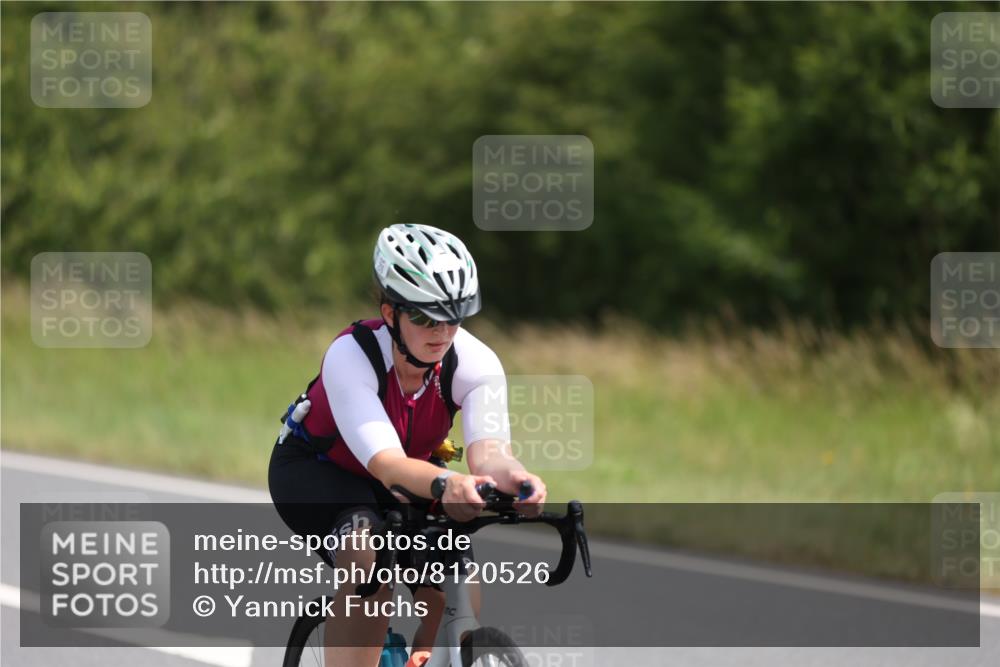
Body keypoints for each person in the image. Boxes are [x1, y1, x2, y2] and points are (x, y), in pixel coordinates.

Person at [268, 223, 547, 666]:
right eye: (424, 318)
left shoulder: (475, 362)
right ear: (390, 313)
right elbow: (389, 465)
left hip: (414, 476)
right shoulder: (352, 355)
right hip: (319, 471)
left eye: (453, 317)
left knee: (456, 585)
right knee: (369, 562)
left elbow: (490, 454)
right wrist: (447, 484)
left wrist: (518, 480)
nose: (442, 332)